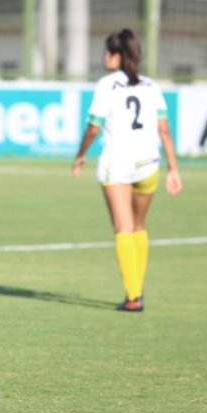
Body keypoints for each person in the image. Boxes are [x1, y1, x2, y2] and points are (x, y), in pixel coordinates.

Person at [71, 28, 182, 312]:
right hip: (149, 164)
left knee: (123, 228)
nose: (104, 57)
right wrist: (173, 168)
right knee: (139, 226)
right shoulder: (151, 86)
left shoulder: (108, 85)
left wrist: (81, 155)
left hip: (117, 164)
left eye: (108, 52)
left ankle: (134, 296)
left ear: (118, 55)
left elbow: (93, 127)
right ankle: (137, 289)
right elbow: (164, 131)